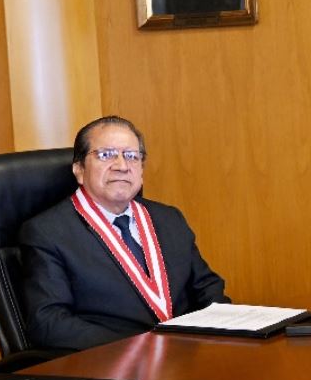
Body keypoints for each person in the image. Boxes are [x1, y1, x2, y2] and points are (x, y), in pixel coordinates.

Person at [19, 115, 227, 349]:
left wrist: (224, 332)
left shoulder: (169, 219)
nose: (121, 165)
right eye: (106, 155)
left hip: (185, 356)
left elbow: (208, 289)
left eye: (131, 156)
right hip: (111, 367)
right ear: (79, 170)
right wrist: (137, 348)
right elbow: (49, 323)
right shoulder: (48, 232)